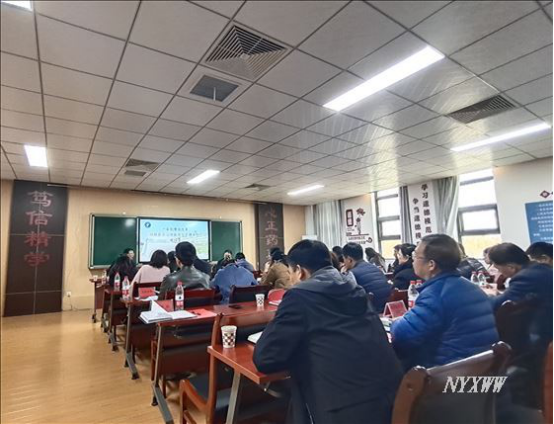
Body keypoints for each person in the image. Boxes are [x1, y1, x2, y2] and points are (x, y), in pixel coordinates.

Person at [253, 240, 403, 424]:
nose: (290, 280)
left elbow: (265, 358)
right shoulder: (356, 289)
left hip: (346, 408)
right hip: (394, 397)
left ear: (300, 271)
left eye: (290, 273)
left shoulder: (299, 296)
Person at [391, 234, 498, 370]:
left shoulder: (436, 294)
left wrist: (396, 321)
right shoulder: (470, 286)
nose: (412, 261)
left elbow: (403, 336)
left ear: (431, 264)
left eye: (415, 256)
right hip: (482, 367)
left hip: (449, 372)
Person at [489, 243, 553, 351]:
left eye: (498, 269)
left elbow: (499, 304)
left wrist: (487, 295)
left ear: (511, 267)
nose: (499, 273)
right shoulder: (539, 268)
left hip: (543, 334)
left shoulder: (525, 277)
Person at [342, 243, 391, 312]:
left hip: (371, 311)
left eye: (344, 259)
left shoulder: (352, 273)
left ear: (349, 259)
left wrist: (342, 275)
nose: (344, 263)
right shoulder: (375, 268)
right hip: (386, 307)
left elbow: (345, 296)